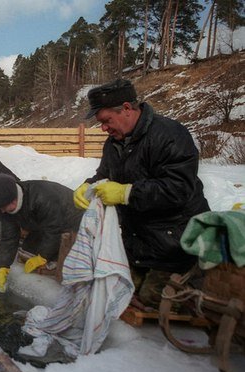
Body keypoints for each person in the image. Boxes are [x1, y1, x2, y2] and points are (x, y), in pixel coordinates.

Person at [73, 78, 210, 308]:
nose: (104, 128)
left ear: (127, 108)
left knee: (151, 297)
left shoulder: (170, 135)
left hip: (176, 243)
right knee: (113, 289)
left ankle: (202, 281)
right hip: (140, 242)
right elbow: (105, 176)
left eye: (106, 121)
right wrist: (88, 186)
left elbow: (179, 189)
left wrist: (127, 194)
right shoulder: (114, 143)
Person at [0, 173, 83, 292]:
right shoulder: (6, 206)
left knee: (61, 255)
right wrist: (4, 266)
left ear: (14, 199)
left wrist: (43, 257)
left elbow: (54, 229)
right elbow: (9, 237)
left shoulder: (42, 197)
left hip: (74, 223)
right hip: (46, 225)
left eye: (3, 208)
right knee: (28, 248)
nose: (2, 211)